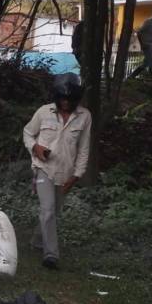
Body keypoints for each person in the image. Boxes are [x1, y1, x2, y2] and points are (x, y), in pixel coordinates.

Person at [23, 73, 92, 270]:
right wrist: (35, 147)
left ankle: (37, 241)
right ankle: (51, 255)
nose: (65, 103)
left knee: (53, 211)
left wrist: (77, 174)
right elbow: (27, 133)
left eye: (69, 100)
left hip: (66, 172)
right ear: (56, 96)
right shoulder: (44, 112)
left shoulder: (85, 116)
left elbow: (84, 147)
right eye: (62, 99)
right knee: (48, 209)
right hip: (43, 168)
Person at [129, 7, 152, 79]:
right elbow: (139, 33)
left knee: (146, 63)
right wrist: (142, 44)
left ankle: (132, 76)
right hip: (147, 44)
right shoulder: (148, 22)